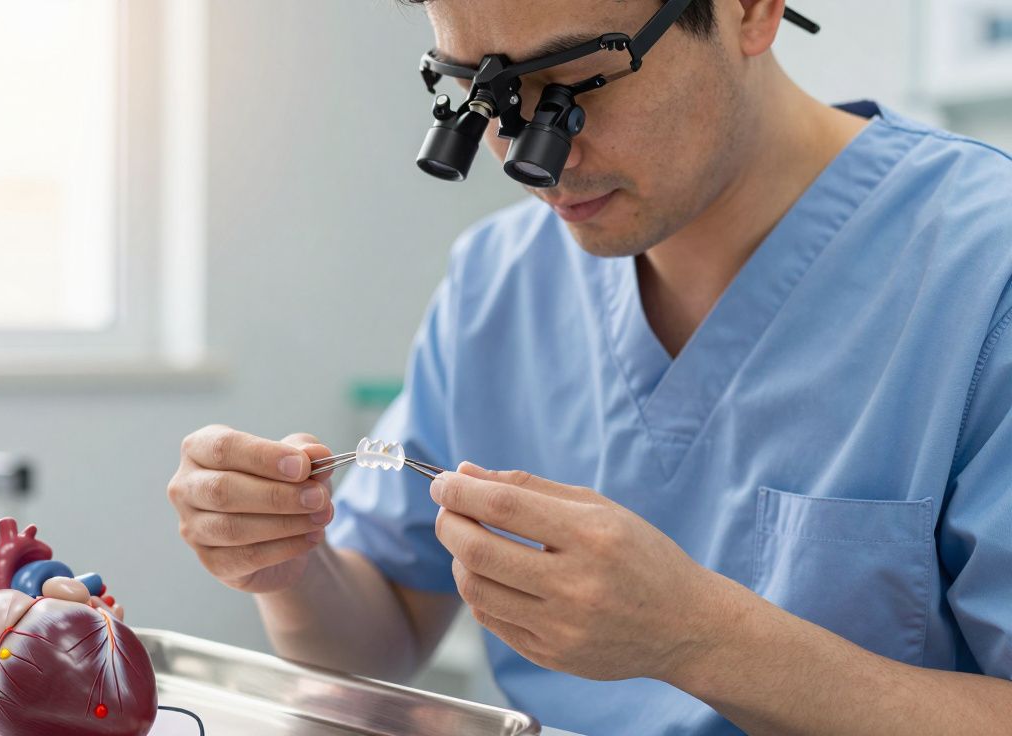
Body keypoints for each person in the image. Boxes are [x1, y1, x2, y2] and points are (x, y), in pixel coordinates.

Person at [166, 1, 1012, 732]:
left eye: (575, 85)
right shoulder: (498, 280)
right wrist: (288, 565)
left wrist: (702, 637)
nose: (526, 156)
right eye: (483, 94)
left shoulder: (982, 269)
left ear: (749, 9)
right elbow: (376, 631)